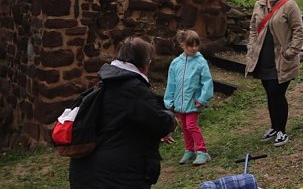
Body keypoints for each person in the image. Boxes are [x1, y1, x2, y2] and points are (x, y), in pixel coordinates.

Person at [69, 37, 176, 189]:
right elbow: (159, 122)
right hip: (114, 177)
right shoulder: (131, 88)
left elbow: (122, 125)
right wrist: (171, 118)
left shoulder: (106, 83)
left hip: (88, 173)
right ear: (143, 64)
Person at [245, 0, 303, 148]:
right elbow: (253, 29)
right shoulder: (259, 5)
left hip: (282, 59)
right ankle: (274, 126)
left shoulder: (289, 6)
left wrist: (291, 51)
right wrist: (252, 47)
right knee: (270, 94)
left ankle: (281, 130)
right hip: (263, 58)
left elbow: (298, 30)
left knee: (277, 94)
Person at [163, 30, 214, 166]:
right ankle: (189, 149)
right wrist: (169, 100)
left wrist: (203, 99)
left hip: (193, 102)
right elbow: (171, 83)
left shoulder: (201, 62)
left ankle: (202, 151)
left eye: (196, 45)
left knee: (191, 125)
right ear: (183, 45)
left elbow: (207, 82)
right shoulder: (175, 63)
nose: (194, 48)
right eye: (191, 45)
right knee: (185, 127)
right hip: (179, 103)